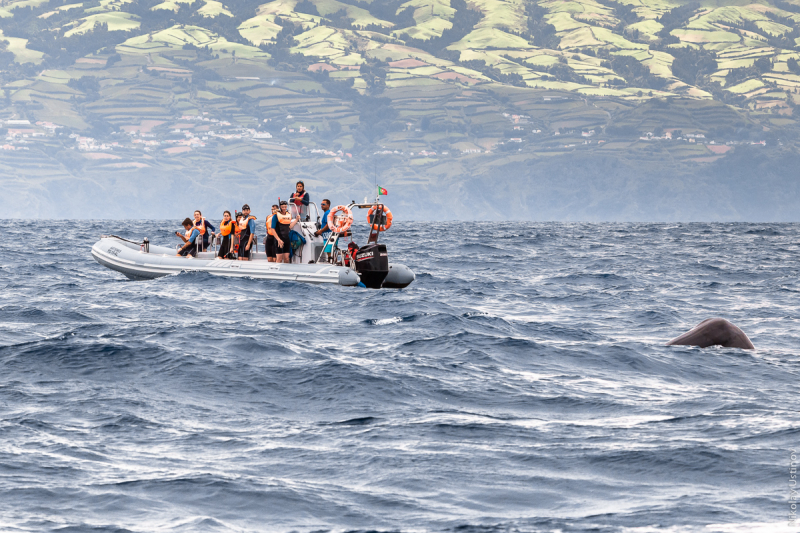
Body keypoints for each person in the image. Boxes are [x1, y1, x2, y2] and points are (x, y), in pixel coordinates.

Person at [314, 198, 332, 263]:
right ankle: (331, 262)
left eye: (323, 204)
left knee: (329, 251)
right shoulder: (327, 213)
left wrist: (320, 231)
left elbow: (328, 225)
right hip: (326, 235)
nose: (322, 205)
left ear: (328, 205)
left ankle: (331, 263)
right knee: (329, 251)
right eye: (321, 204)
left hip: (328, 235)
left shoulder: (327, 213)